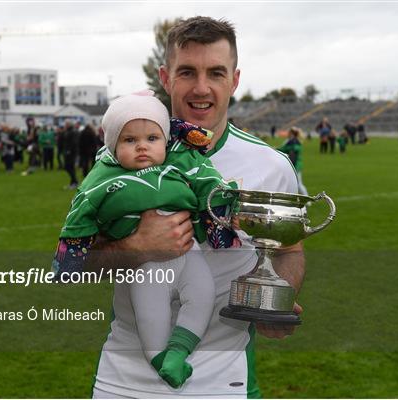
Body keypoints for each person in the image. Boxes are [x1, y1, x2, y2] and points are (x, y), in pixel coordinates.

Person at [87, 16, 304, 398]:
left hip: (224, 381)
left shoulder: (269, 166)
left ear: (234, 80)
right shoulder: (113, 160)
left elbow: (288, 250)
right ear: (166, 78)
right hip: (124, 380)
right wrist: (135, 247)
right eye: (187, 72)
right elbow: (76, 264)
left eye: (216, 73)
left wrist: (278, 296)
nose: (201, 88)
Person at [54, 92, 241, 389]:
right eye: (130, 140)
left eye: (152, 138)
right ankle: (158, 358)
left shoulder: (181, 162)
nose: (142, 146)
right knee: (150, 312)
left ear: (165, 141)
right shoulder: (102, 178)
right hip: (147, 265)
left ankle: (178, 352)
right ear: (113, 146)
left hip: (189, 252)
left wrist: (222, 215)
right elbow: (81, 213)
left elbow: (208, 183)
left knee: (203, 295)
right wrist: (70, 257)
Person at [278, 126, 308, 195]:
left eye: (289, 132)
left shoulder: (294, 142)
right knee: (290, 183)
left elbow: (289, 150)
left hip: (295, 165)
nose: (288, 133)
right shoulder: (291, 141)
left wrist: (278, 149)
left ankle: (307, 198)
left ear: (292, 133)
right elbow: (285, 148)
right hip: (294, 164)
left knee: (299, 184)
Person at [62, 120, 78, 189]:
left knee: (68, 167)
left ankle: (75, 182)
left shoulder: (72, 132)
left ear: (69, 125)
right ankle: (72, 182)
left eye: (66, 124)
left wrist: (69, 150)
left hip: (70, 153)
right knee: (69, 167)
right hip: (68, 151)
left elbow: (73, 142)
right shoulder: (69, 131)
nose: (64, 125)